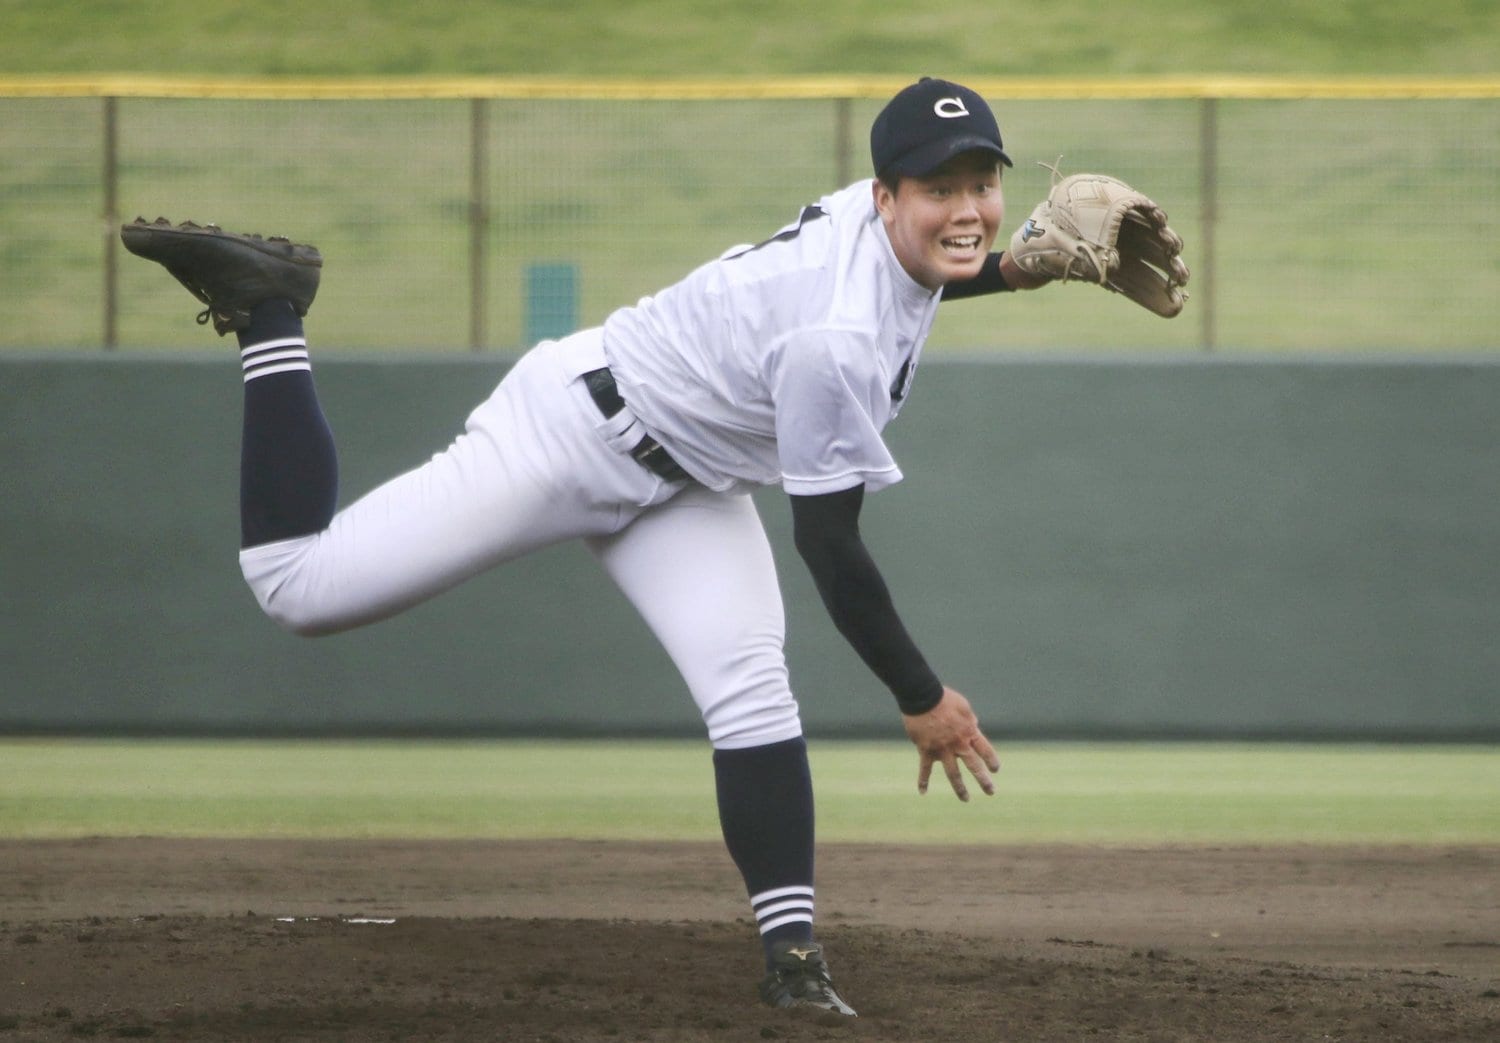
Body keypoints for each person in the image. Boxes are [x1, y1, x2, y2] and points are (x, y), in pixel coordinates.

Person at [122, 76, 1052, 1016]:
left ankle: (794, 960)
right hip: (570, 434)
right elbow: (829, 544)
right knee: (298, 589)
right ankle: (271, 307)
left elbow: (931, 267)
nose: (968, 209)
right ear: (886, 195)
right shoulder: (831, 336)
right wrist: (921, 697)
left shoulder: (884, 237)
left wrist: (1019, 269)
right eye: (941, 188)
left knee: (751, 687)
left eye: (982, 180)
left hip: (687, 484)